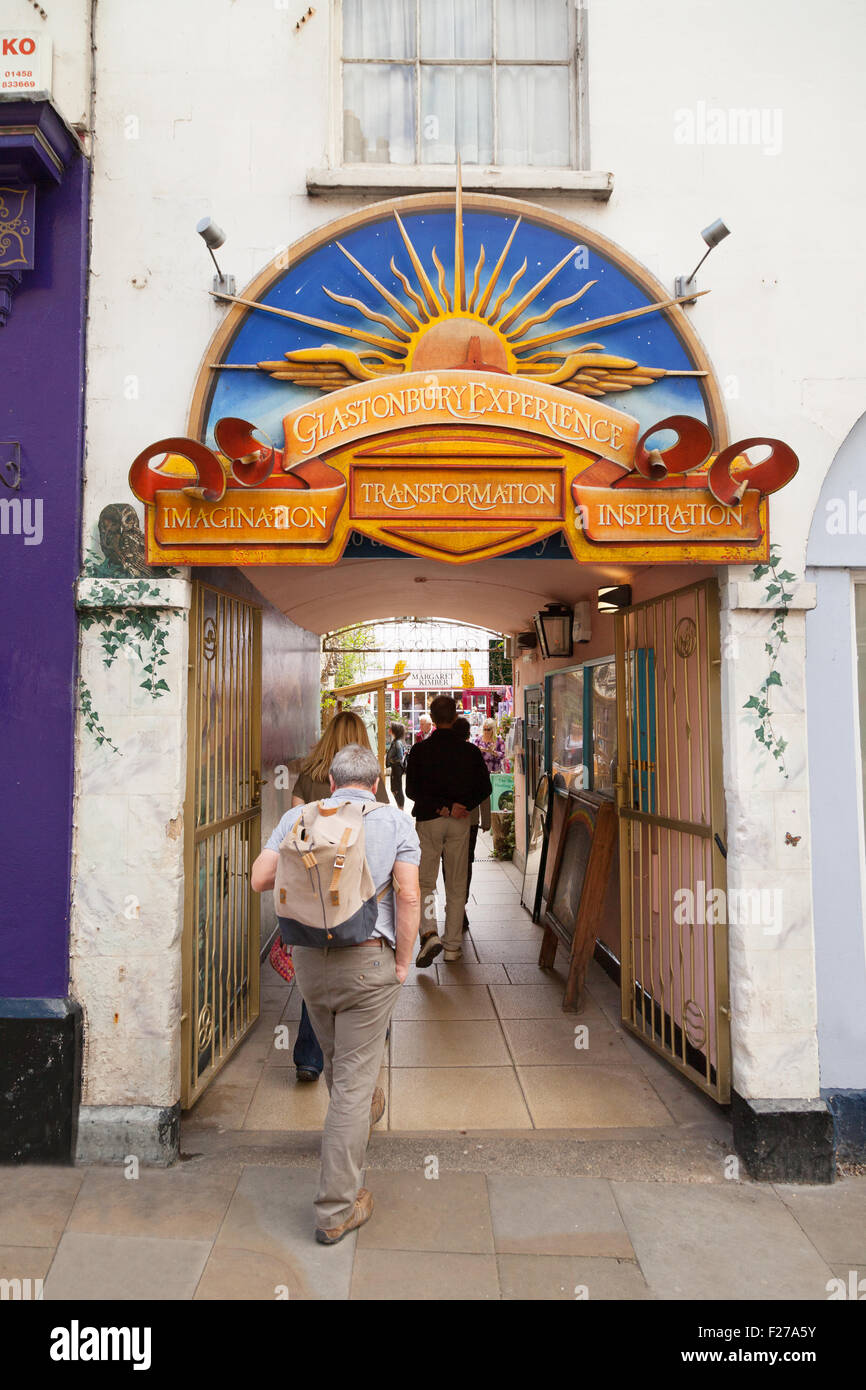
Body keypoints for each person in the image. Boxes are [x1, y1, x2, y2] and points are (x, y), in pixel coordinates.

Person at [251, 744, 421, 1245]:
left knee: (339, 1067)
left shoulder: (299, 818)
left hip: (310, 963)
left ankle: (361, 1111)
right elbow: (410, 895)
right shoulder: (395, 822)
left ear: (330, 783)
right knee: (351, 1085)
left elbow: (260, 879)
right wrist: (403, 962)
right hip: (369, 962)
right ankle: (335, 1210)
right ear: (376, 784)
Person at [286, 710, 389, 1082]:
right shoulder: (369, 780)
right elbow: (381, 828)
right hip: (355, 887)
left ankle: (309, 1058)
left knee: (315, 970)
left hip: (315, 888)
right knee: (359, 963)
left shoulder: (309, 776)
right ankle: (362, 1040)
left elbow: (295, 831)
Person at [405, 694, 491, 966]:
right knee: (456, 883)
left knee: (425, 882)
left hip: (428, 821)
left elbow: (411, 790)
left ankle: (430, 933)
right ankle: (453, 946)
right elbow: (485, 788)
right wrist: (459, 807)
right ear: (455, 718)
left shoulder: (419, 751)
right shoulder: (470, 752)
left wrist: (441, 807)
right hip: (460, 822)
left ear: (432, 718)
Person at [453, 717, 480, 932]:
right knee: (466, 863)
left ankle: (456, 906)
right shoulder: (473, 752)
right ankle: (460, 905)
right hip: (470, 820)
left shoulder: (449, 754)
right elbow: (484, 788)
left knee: (450, 863)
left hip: (450, 819)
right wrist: (485, 819)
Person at [385, 721, 407, 809]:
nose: (389, 729)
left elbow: (400, 757)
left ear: (395, 730)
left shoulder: (397, 742)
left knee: (397, 789)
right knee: (394, 789)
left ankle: (401, 808)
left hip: (397, 768)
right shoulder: (395, 741)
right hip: (395, 768)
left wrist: (391, 760)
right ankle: (400, 807)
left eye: (391, 728)